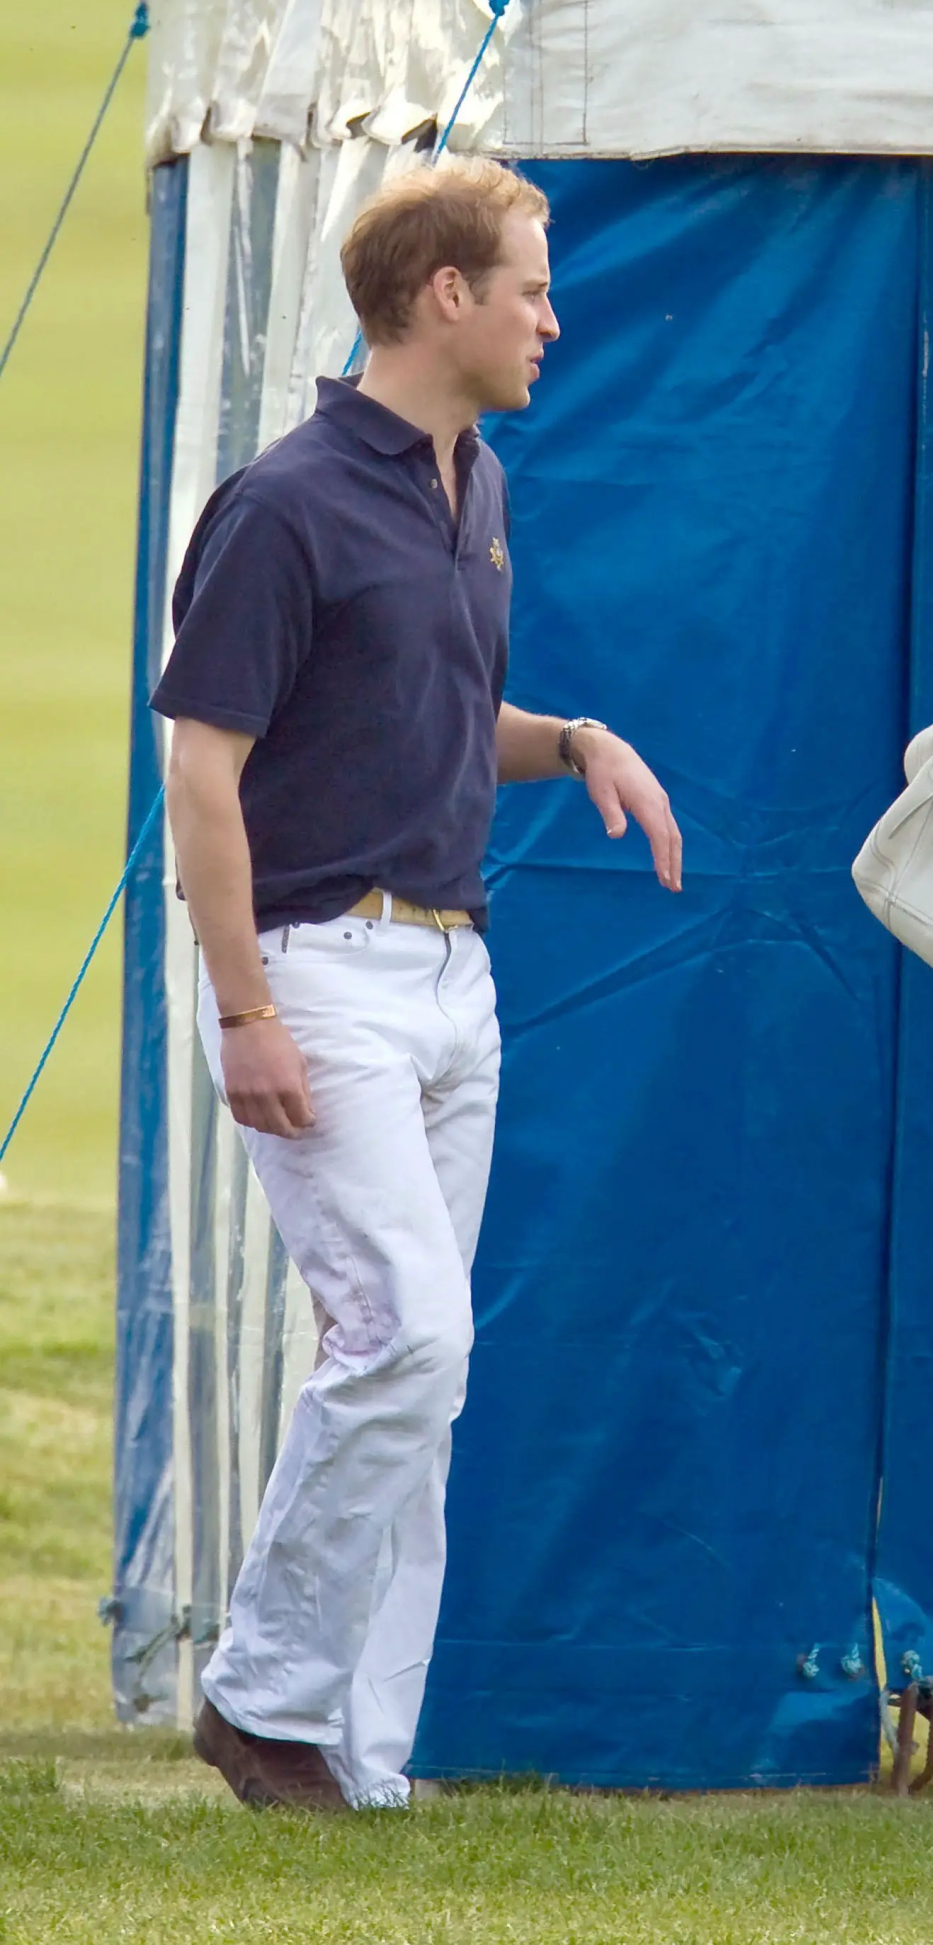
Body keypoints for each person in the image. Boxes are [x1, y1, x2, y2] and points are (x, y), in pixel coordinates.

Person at [153, 160, 683, 1812]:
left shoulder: (485, 489)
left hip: (459, 982)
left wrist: (577, 740)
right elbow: (202, 769)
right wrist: (243, 1012)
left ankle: (359, 1765)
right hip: (317, 977)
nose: (551, 316)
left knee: (419, 1382)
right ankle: (261, 1700)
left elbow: (443, 725)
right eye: (529, 286)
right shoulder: (286, 502)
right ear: (442, 296)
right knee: (408, 1340)